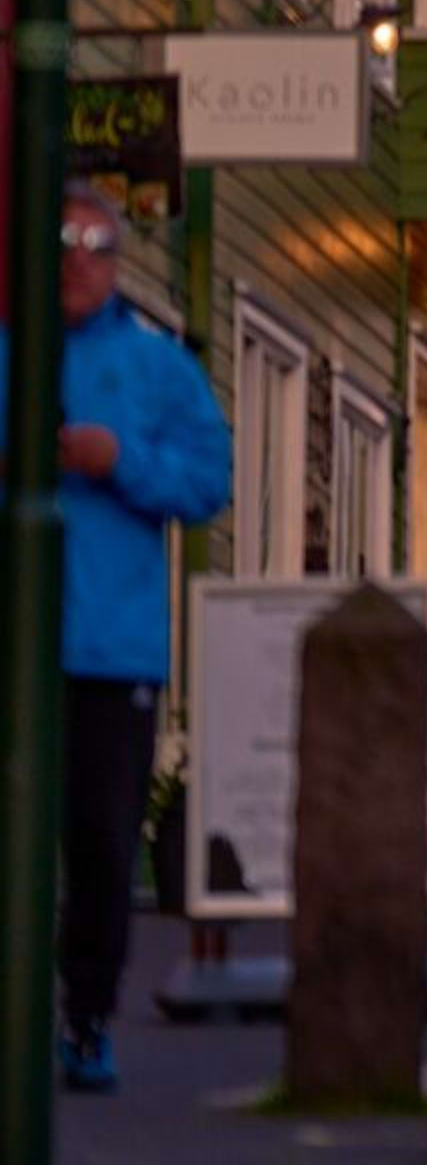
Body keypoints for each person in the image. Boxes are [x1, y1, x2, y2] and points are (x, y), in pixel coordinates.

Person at [9, 185, 232, 1093]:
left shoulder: (160, 367)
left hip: (114, 650)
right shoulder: (10, 353)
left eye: (95, 243)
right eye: (62, 239)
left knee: (102, 846)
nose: (77, 258)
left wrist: (121, 462)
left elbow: (207, 480)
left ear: (119, 259)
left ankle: (86, 1016)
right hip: (19, 644)